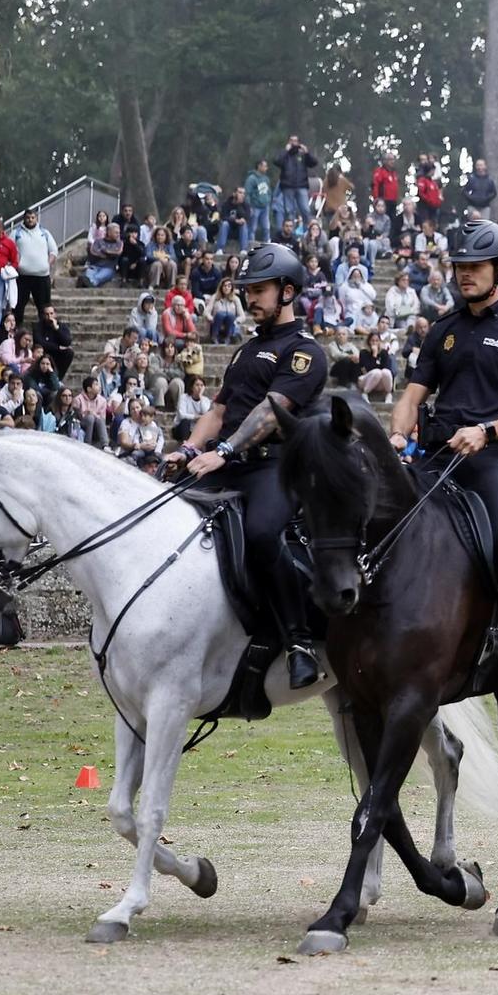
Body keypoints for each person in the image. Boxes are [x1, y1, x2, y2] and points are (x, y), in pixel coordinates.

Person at [388, 220, 498, 712]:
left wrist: (487, 430)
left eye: (474, 267)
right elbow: (412, 396)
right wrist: (399, 432)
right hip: (436, 456)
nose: (464, 275)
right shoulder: (441, 330)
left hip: (490, 460)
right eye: (458, 267)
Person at [168, 242, 328, 689]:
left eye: (260, 289)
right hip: (228, 461)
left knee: (261, 533)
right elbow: (218, 411)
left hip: (274, 468)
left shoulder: (304, 352)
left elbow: (273, 410)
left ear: (289, 291)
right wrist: (187, 449)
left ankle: (299, 642)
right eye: (247, 290)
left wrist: (224, 451)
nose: (249, 297)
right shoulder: (244, 352)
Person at [11, 206, 59, 325]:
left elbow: (53, 251)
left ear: (36, 219)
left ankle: (46, 329)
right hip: (22, 276)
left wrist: (47, 264)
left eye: (33, 217)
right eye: (28, 218)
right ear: (24, 219)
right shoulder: (16, 233)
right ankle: (16, 329)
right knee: (18, 305)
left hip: (42, 276)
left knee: (44, 306)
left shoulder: (45, 233)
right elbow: (9, 250)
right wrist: (16, 264)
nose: (30, 220)